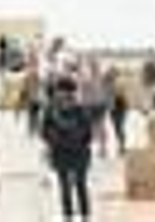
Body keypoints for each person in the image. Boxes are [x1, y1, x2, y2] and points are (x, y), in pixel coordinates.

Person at [43, 76, 95, 220]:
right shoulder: (53, 110)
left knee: (78, 185)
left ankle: (82, 215)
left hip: (74, 153)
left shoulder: (77, 110)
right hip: (66, 153)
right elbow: (45, 132)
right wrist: (56, 140)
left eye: (61, 90)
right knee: (68, 186)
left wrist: (59, 139)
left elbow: (88, 133)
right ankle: (71, 216)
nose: (59, 94)